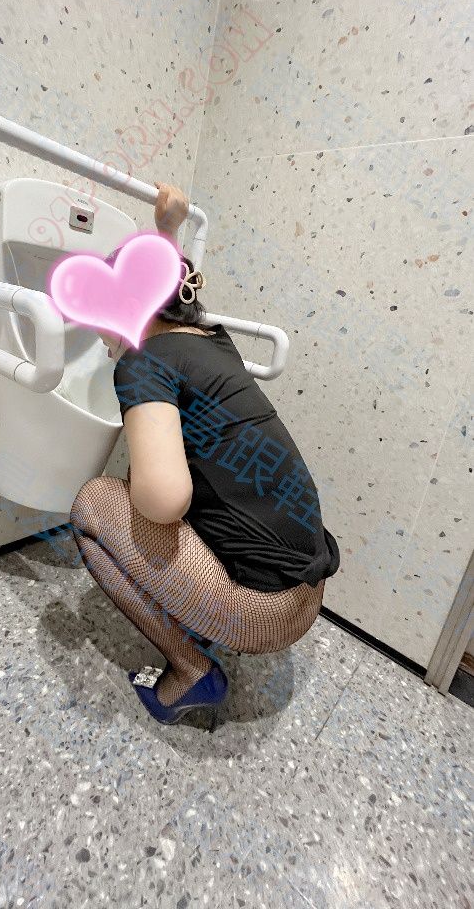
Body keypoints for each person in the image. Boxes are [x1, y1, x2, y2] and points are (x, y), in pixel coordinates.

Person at [70, 181, 340, 730]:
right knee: (153, 468)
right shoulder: (210, 341)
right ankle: (195, 607)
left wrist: (138, 486)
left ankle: (192, 670)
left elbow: (166, 501)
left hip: (263, 611)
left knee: (94, 504)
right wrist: (166, 228)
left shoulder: (141, 364)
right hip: (307, 586)